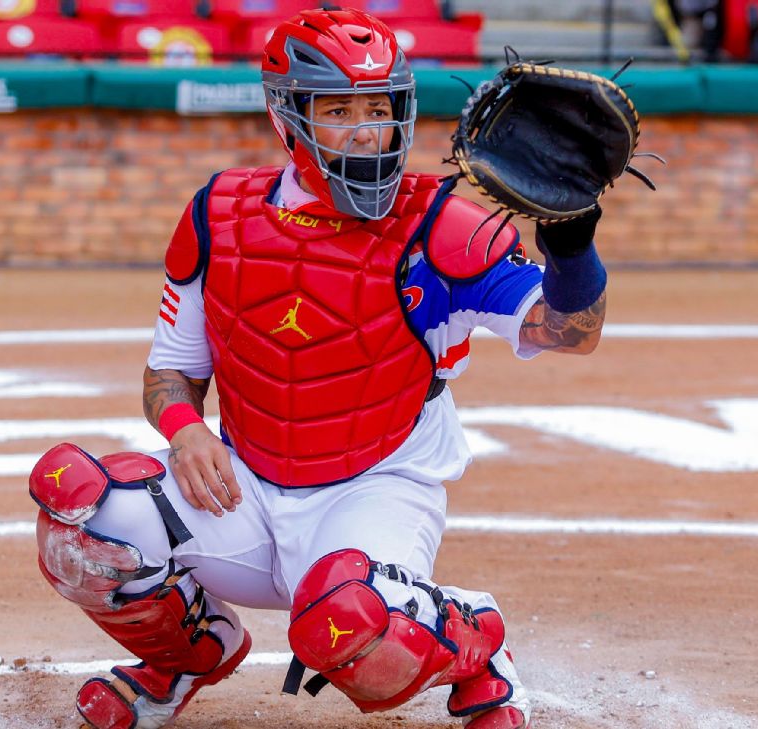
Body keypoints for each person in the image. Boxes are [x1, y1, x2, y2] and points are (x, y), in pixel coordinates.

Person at [30, 8, 609, 729]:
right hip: (242, 487)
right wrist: (183, 429)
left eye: (381, 108)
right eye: (340, 109)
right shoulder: (219, 214)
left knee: (352, 620)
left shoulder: (440, 228)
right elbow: (169, 375)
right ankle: (190, 653)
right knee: (80, 516)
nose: (367, 129)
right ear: (287, 115)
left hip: (377, 489)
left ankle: (476, 640)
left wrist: (574, 249)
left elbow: (566, 332)